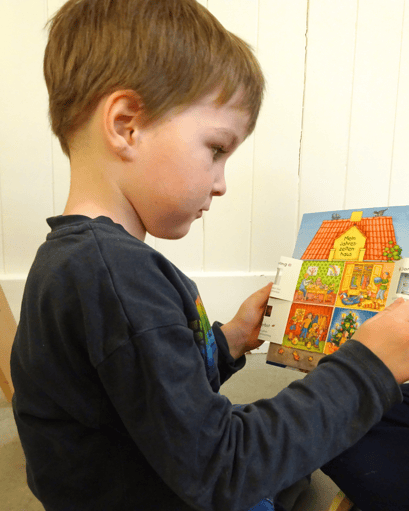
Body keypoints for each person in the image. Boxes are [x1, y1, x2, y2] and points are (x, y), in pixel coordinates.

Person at [10, 1, 409, 510]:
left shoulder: (83, 262)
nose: (221, 184)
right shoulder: (115, 275)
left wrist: (233, 338)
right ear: (126, 125)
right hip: (165, 492)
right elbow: (222, 469)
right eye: (217, 149)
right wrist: (370, 365)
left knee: (291, 462)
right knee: (290, 455)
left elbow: (154, 390)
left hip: (147, 469)